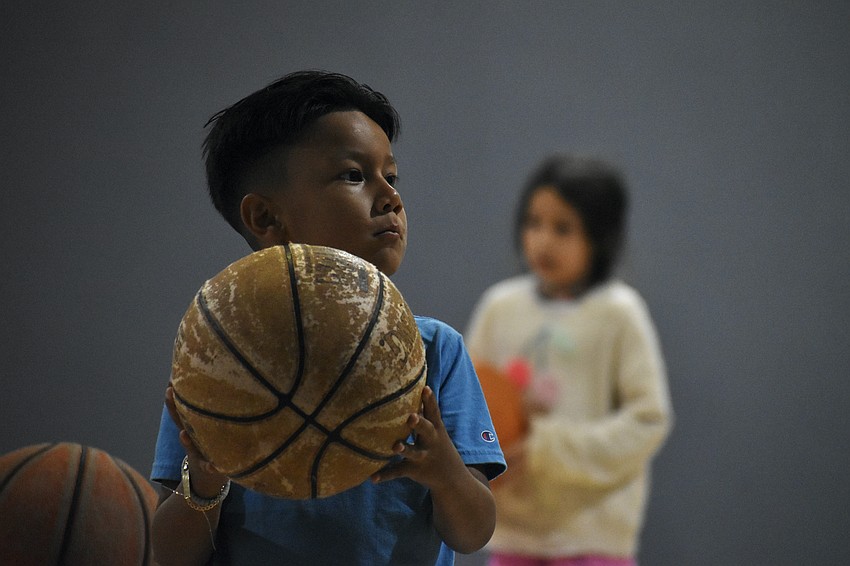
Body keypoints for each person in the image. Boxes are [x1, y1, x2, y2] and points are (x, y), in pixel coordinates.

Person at [150, 70, 506, 566]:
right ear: (266, 218)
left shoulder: (434, 349)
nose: (391, 197)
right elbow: (171, 554)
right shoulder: (216, 356)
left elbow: (473, 533)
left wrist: (446, 473)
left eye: (391, 177)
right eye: (353, 175)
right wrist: (205, 482)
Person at [464, 154, 673, 566]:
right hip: (514, 539)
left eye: (563, 228)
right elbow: (467, 403)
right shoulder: (499, 308)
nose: (543, 240)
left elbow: (648, 420)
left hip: (593, 540)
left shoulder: (620, 313)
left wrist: (546, 448)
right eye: (533, 223)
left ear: (599, 236)